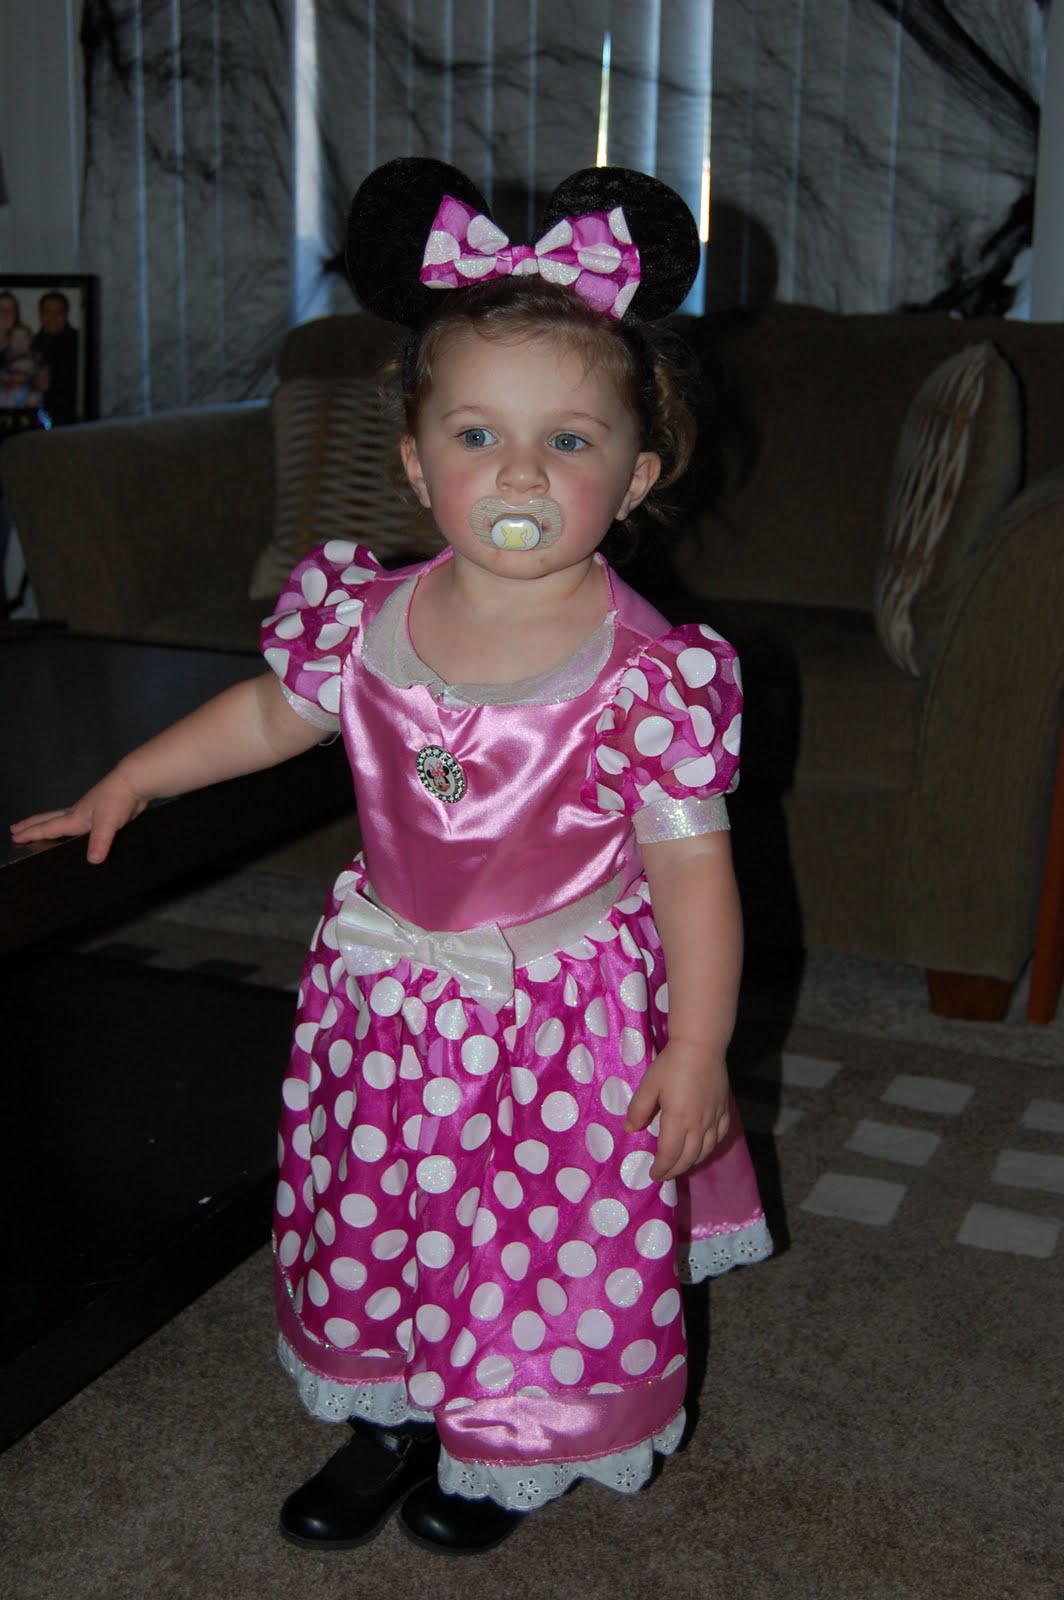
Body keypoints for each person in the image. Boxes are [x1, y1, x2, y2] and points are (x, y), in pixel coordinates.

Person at [10, 158, 772, 1555]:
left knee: (529, 1236)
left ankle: (508, 1432)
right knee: (376, 1203)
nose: (521, 473)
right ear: (418, 465)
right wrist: (135, 777)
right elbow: (268, 716)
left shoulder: (646, 675)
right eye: (478, 434)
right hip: (389, 1001)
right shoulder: (362, 618)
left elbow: (691, 873)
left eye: (569, 440)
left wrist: (700, 1046)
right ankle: (389, 1414)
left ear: (636, 475)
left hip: (558, 1023)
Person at [32, 290, 80, 425]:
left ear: (66, 315)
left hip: (70, 418)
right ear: (41, 315)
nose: (53, 317)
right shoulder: (31, 344)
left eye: (59, 312)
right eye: (48, 312)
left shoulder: (80, 343)